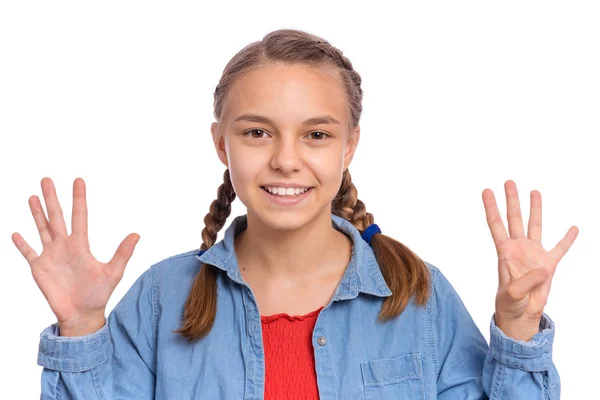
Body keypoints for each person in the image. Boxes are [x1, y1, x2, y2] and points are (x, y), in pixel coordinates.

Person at [13, 29, 578, 399]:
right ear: (220, 144)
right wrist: (82, 329)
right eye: (257, 132)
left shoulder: (418, 297)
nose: (286, 160)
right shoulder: (164, 298)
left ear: (349, 145)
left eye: (315, 134)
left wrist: (519, 329)